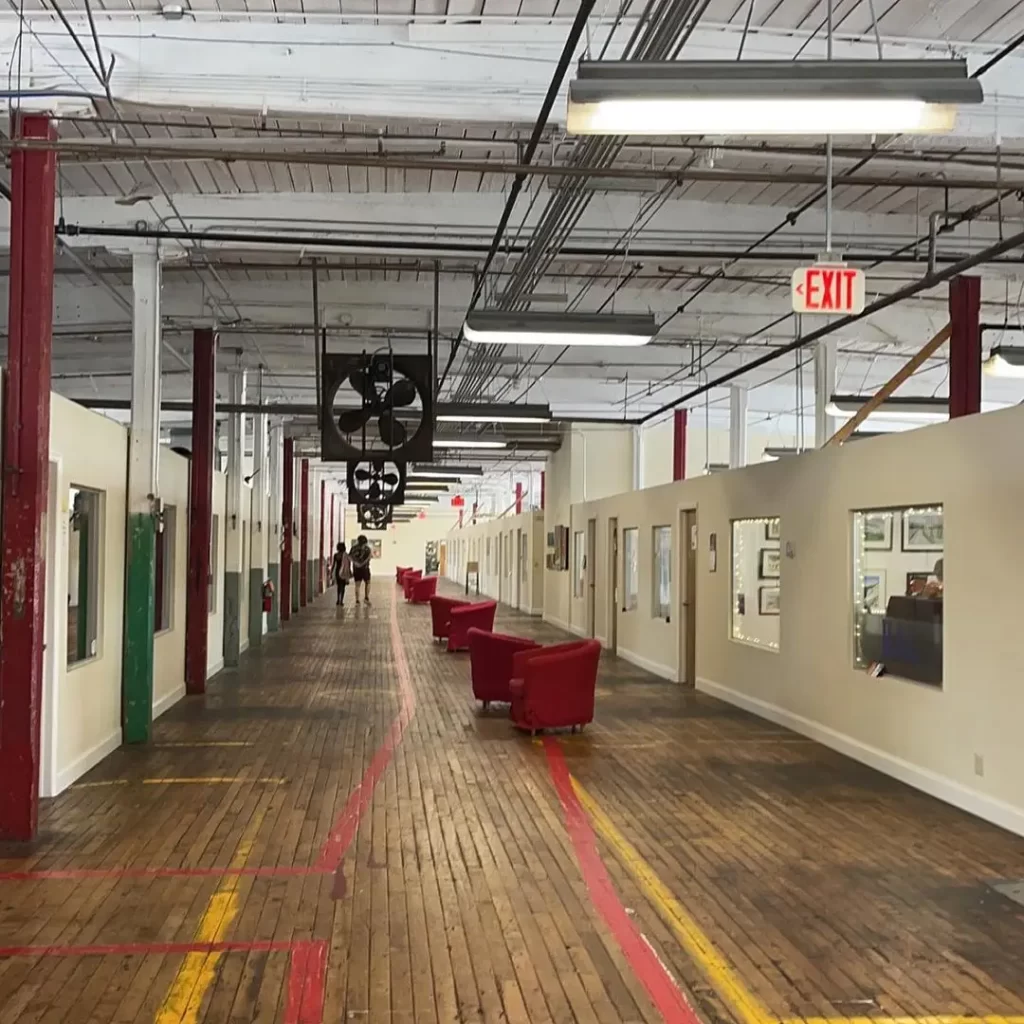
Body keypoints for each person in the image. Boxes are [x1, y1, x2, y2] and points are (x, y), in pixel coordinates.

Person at [350, 535, 372, 605]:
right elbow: (369, 558)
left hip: (356, 569)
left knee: (357, 585)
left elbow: (350, 557)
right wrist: (362, 564)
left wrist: (356, 563)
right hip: (365, 568)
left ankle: (357, 601)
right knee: (368, 582)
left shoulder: (353, 548)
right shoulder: (368, 549)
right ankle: (366, 598)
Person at [332, 541, 351, 606]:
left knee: (338, 586)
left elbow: (334, 565)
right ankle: (341, 601)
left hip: (338, 572)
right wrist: (349, 572)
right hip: (344, 572)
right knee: (343, 587)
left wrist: (332, 573)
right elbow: (349, 564)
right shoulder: (346, 555)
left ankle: (338, 600)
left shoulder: (336, 555)